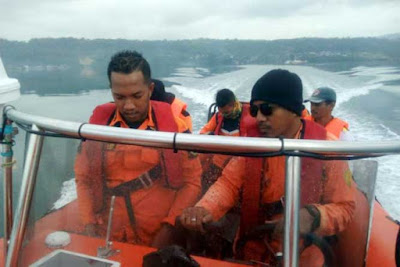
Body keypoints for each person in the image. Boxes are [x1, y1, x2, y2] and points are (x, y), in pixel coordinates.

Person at [180, 69, 355, 266]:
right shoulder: (255, 144)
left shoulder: (327, 148)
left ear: (293, 109)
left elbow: (345, 208)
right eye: (255, 111)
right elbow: (227, 184)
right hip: (252, 250)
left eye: (267, 109)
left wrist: (314, 216)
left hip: (304, 256)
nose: (259, 118)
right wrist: (204, 208)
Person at [74, 50, 202, 248]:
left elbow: (192, 182)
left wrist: (169, 227)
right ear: (111, 90)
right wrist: (88, 223)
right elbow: (83, 179)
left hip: (158, 234)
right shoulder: (97, 128)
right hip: (107, 233)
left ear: (150, 89)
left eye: (137, 95)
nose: (129, 106)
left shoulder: (175, 130)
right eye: (119, 97)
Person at [199, 89, 253, 193]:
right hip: (218, 163)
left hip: (239, 166)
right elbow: (203, 133)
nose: (224, 115)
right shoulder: (218, 117)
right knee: (203, 185)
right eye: (221, 112)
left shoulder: (250, 117)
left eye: (226, 112)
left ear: (232, 104)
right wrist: (209, 135)